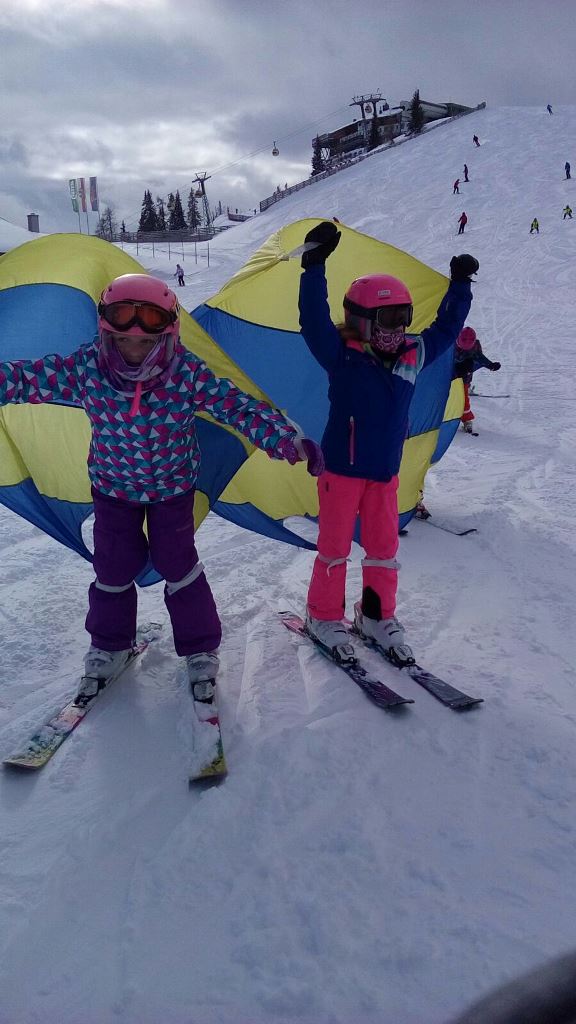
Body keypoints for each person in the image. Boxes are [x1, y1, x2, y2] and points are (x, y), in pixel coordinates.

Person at [0, 274, 323, 692]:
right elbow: (30, 378)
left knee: (177, 562)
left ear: (167, 335)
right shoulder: (87, 369)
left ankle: (200, 647)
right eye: (122, 342)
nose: (133, 352)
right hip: (114, 487)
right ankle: (110, 644)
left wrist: (286, 439)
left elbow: (237, 407)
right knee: (113, 565)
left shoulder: (185, 372)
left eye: (145, 343)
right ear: (106, 334)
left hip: (172, 488)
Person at [298, 221, 477, 664]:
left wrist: (460, 286)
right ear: (361, 319)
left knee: (383, 549)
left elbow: (447, 327)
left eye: (403, 317)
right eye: (389, 318)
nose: (398, 327)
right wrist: (314, 265)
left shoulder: (414, 354)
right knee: (334, 548)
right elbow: (313, 320)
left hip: (383, 474)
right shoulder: (341, 356)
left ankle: (375, 615)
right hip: (340, 471)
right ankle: (324, 615)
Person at [453, 326, 501, 434]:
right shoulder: (451, 344)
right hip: (449, 376)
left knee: (463, 400)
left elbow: (480, 357)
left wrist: (490, 365)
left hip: (464, 377)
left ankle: (467, 420)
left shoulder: (475, 347)